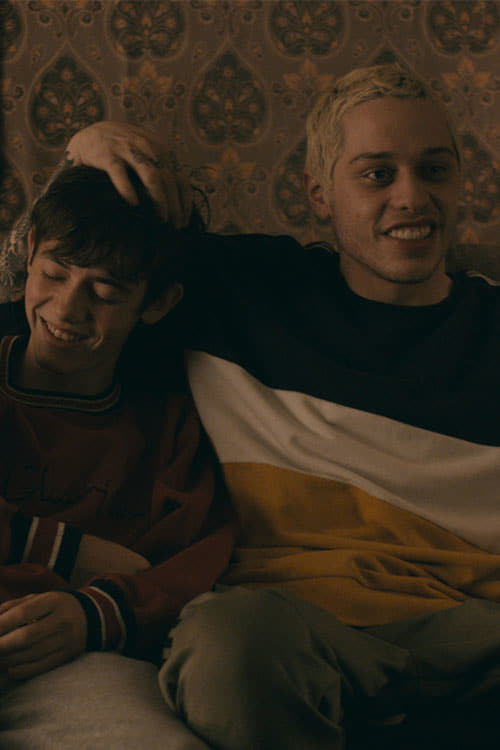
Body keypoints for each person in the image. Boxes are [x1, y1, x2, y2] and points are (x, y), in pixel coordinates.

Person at [2, 63, 500, 748]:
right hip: (284, 626)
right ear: (318, 194)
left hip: (472, 626)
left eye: (434, 170)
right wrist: (85, 149)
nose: (411, 197)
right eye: (377, 174)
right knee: (228, 645)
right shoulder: (238, 290)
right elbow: (60, 284)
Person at [0, 165, 234, 749]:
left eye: (105, 292)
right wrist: (64, 549)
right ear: (30, 250)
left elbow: (189, 567)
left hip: (77, 660)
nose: (67, 309)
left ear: (157, 302)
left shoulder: (167, 426)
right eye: (54, 273)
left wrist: (94, 615)